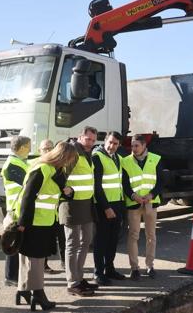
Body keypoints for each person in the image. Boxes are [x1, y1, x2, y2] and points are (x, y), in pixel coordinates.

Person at [14, 141, 77, 311]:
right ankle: (38, 294)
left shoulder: (56, 171)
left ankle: (23, 290)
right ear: (62, 156)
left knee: (28, 257)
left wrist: (69, 192)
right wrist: (22, 224)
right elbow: (28, 197)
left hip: (45, 220)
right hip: (34, 222)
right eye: (69, 159)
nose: (69, 163)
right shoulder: (42, 169)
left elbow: (61, 192)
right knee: (36, 260)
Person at [59, 126, 99, 297]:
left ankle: (79, 277)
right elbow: (58, 173)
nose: (90, 142)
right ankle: (72, 283)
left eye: (93, 140)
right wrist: (65, 189)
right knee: (72, 244)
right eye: (87, 139)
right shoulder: (72, 151)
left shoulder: (89, 153)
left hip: (86, 204)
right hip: (72, 206)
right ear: (80, 137)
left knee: (86, 241)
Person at [122, 134, 163, 281]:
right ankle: (134, 268)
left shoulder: (156, 159)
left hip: (150, 203)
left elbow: (160, 182)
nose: (133, 148)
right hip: (134, 204)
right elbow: (125, 184)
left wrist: (151, 195)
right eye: (132, 145)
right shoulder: (125, 161)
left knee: (151, 236)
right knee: (133, 236)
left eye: (136, 145)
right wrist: (134, 196)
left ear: (144, 145)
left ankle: (150, 265)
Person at [92, 131, 126, 285]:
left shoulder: (118, 158)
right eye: (110, 142)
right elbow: (97, 186)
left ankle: (109, 269)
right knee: (101, 240)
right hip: (104, 205)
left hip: (117, 203)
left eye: (115, 144)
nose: (111, 146)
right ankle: (98, 273)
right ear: (104, 141)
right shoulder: (97, 157)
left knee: (113, 239)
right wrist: (106, 207)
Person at [1, 135, 31, 287]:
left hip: (17, 208)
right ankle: (10, 276)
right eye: (29, 146)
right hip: (15, 209)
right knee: (14, 242)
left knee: (18, 241)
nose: (31, 148)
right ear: (23, 147)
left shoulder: (20, 162)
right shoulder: (13, 164)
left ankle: (13, 275)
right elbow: (28, 182)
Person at [35, 140, 66, 275]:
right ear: (39, 151)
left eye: (50, 148)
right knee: (45, 240)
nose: (48, 151)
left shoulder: (58, 165)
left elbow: (62, 184)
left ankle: (65, 262)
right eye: (44, 149)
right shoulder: (37, 165)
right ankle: (44, 265)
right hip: (42, 211)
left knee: (62, 237)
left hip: (57, 208)